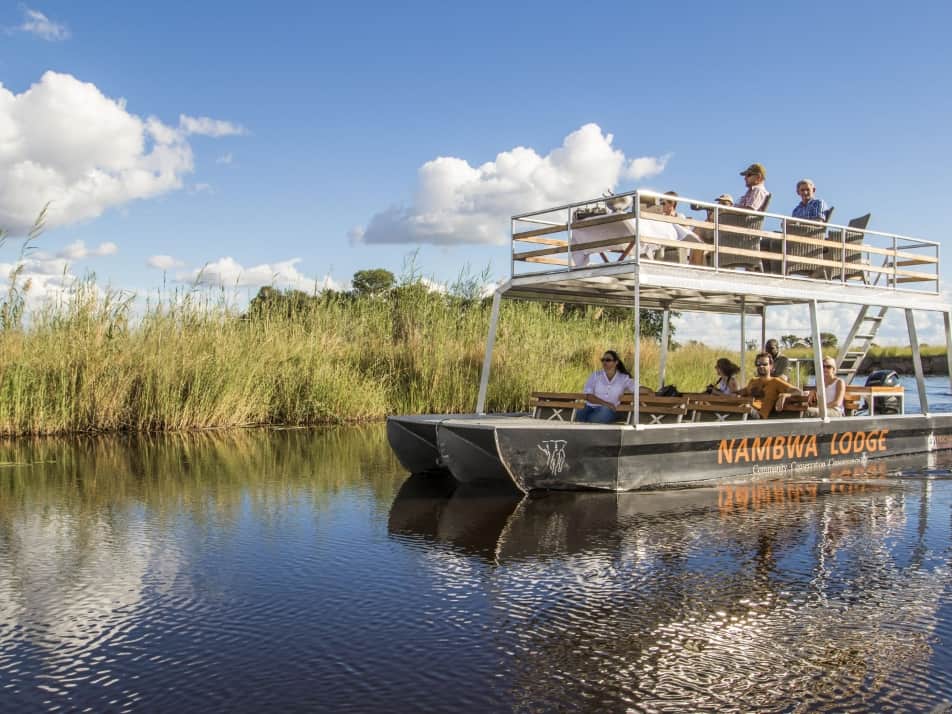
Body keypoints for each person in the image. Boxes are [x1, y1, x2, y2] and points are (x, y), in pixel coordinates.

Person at [575, 350, 639, 423]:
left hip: (608, 411)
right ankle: (587, 423)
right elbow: (588, 396)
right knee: (580, 412)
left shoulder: (623, 378)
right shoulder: (595, 375)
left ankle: (587, 423)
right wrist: (606, 404)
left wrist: (648, 391)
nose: (604, 362)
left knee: (604, 412)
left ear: (616, 362)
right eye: (603, 360)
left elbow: (636, 388)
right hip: (590, 407)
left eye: (608, 360)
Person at [737, 353, 802, 418]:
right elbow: (741, 392)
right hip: (745, 411)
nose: (761, 366)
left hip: (758, 415)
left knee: (745, 408)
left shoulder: (776, 382)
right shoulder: (753, 381)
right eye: (758, 364)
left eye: (765, 364)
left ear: (771, 366)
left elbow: (799, 392)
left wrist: (784, 395)